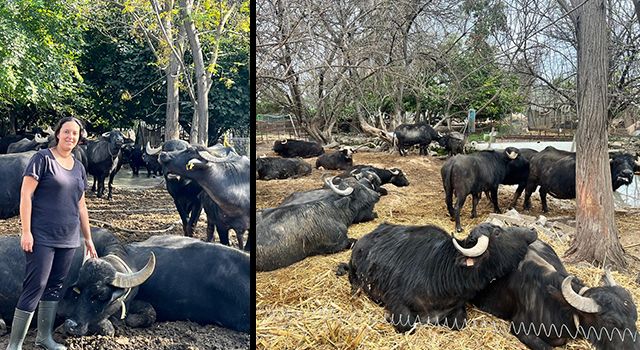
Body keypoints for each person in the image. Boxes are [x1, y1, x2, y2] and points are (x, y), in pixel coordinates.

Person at [6, 117, 98, 350]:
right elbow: (25, 196)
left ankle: (44, 338)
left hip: (68, 238)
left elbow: (81, 205)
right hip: (42, 235)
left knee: (56, 285)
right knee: (35, 285)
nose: (70, 137)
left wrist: (87, 238)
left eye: (75, 134)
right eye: (66, 132)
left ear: (79, 138)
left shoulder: (78, 167)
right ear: (58, 133)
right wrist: (26, 231)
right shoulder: (41, 159)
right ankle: (14, 345)